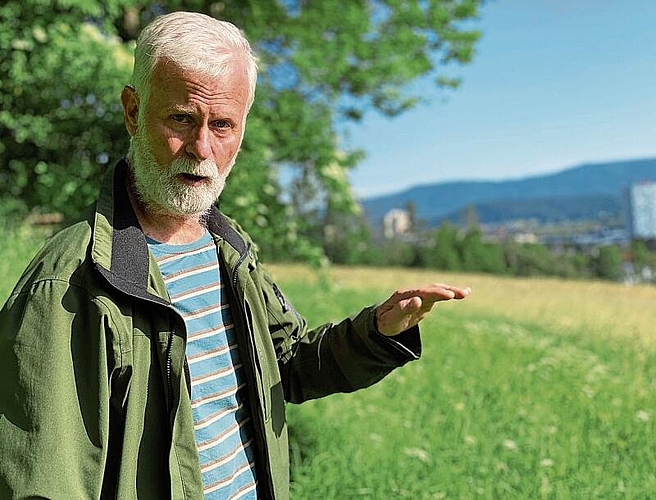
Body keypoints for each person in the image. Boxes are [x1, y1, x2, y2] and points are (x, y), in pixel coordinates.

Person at [0, 11, 470, 500]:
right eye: (181, 118)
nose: (202, 148)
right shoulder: (67, 285)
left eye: (222, 124)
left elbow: (284, 367)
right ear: (132, 112)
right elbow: (42, 484)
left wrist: (376, 333)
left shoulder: (228, 247)